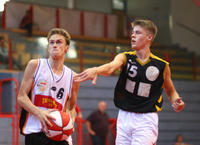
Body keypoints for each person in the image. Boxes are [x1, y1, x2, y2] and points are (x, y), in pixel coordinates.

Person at [74, 19, 185, 145]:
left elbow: (170, 91)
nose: (132, 35)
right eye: (133, 32)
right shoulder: (125, 57)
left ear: (149, 37)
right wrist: (96, 70)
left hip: (146, 118)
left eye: (137, 33)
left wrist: (176, 100)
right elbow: (111, 67)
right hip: (124, 116)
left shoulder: (162, 65)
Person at [17, 28, 80, 145]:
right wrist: (40, 113)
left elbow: (71, 107)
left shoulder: (73, 77)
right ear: (48, 47)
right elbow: (21, 97)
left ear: (67, 48)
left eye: (59, 42)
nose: (54, 45)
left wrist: (70, 121)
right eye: (52, 42)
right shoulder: (35, 65)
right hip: (36, 131)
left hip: (59, 133)